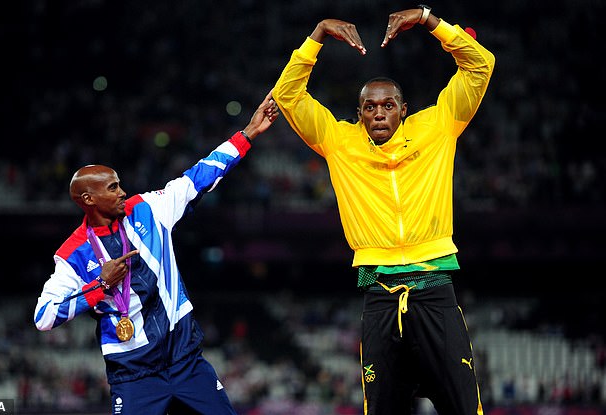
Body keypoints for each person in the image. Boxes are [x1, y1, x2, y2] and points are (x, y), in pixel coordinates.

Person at [272, 6, 494, 415]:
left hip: (434, 288)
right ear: (359, 114)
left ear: (403, 108)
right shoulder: (339, 141)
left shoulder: (438, 126)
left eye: (388, 105)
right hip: (379, 294)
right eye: (370, 107)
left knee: (464, 408)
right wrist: (316, 36)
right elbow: (287, 96)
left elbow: (480, 65)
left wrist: (429, 20)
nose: (379, 113)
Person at [34, 90, 278, 415]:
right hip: (134, 375)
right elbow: (43, 317)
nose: (122, 191)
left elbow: (199, 176)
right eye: (112, 188)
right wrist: (98, 288)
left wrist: (247, 134)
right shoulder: (73, 254)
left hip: (185, 360)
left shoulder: (148, 208)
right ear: (88, 200)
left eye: (119, 184)